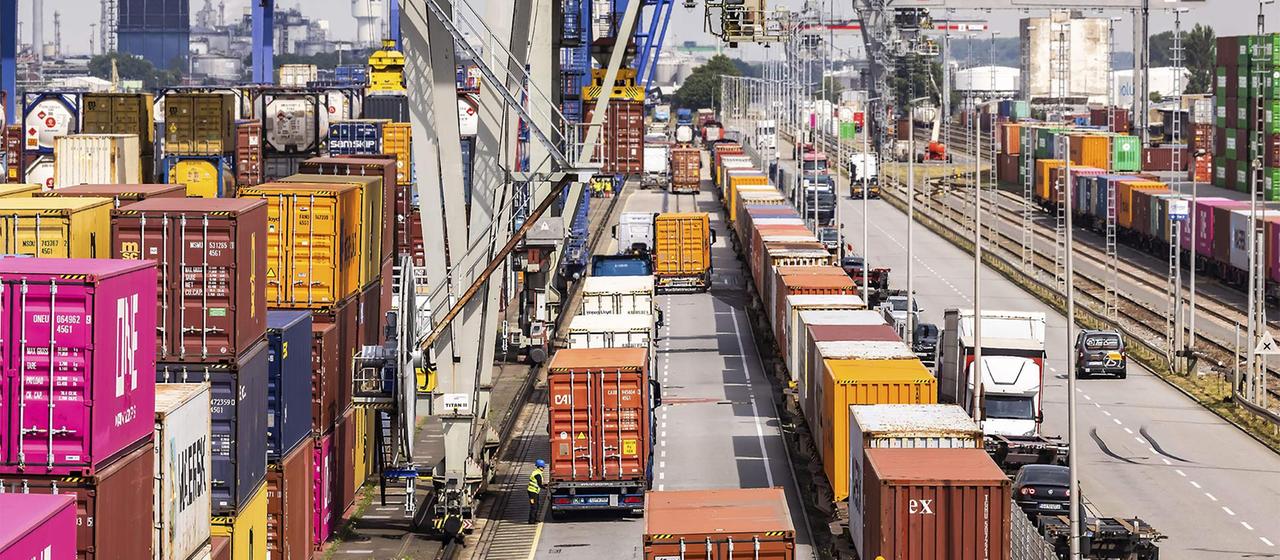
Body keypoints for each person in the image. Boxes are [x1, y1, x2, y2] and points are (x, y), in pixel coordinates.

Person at [527, 459, 546, 524]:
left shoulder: (537, 472)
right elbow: (540, 484)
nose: (544, 468)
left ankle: (535, 519)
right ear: (540, 467)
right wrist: (545, 488)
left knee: (536, 505)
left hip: (535, 492)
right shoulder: (537, 474)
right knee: (534, 506)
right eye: (543, 467)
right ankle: (531, 521)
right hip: (532, 492)